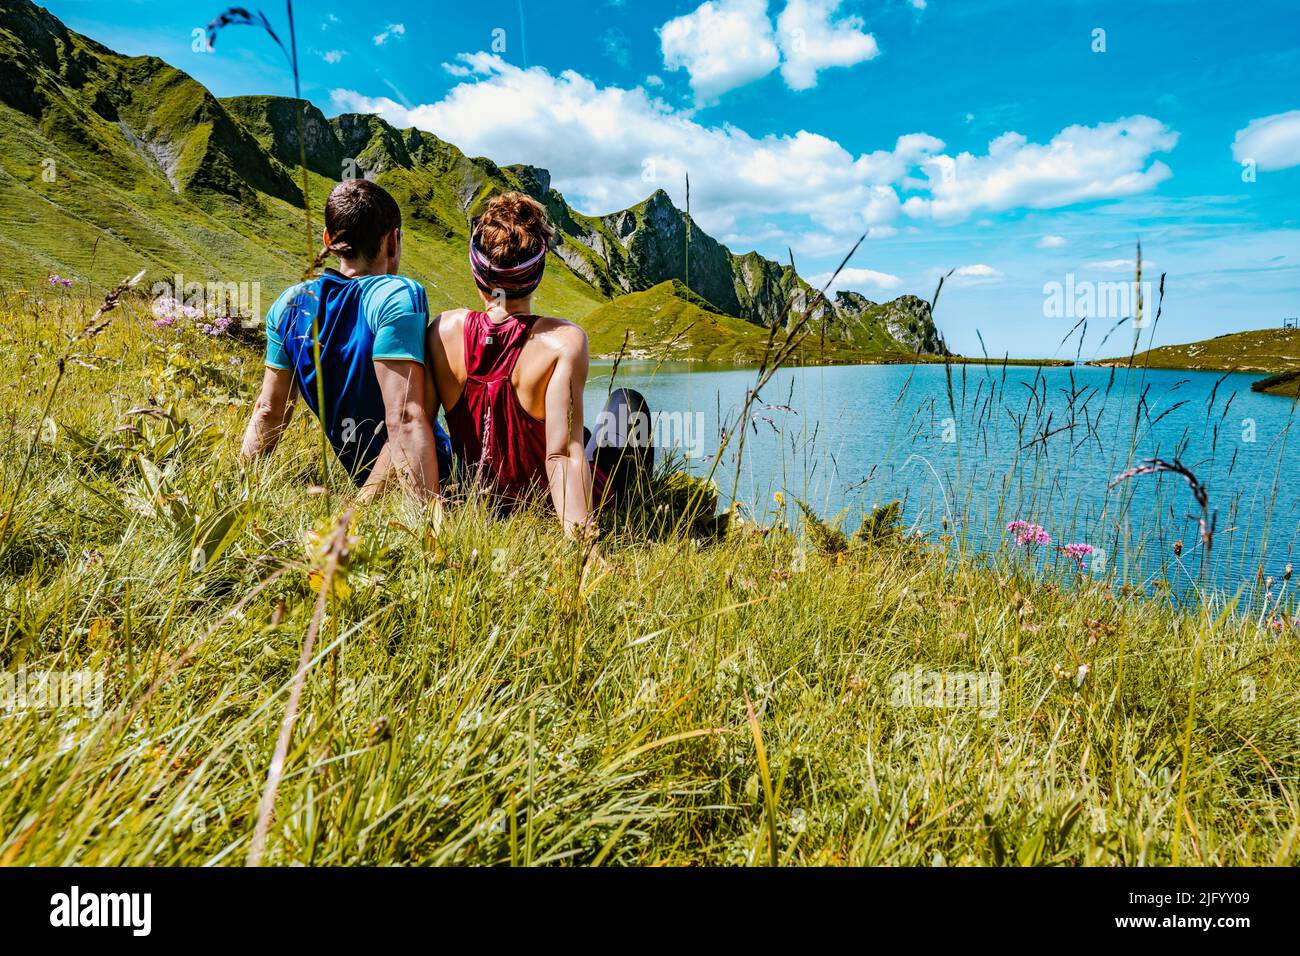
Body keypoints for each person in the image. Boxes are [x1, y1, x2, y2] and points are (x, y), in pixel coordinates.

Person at [426, 191, 652, 538]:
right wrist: (582, 545)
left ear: (477, 274)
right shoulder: (564, 342)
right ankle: (635, 503)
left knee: (584, 429)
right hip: (555, 503)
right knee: (626, 403)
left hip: (484, 502)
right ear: (538, 273)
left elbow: (418, 426)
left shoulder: (442, 330)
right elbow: (562, 455)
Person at [240, 179, 452, 502]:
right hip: (449, 482)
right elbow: (405, 418)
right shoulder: (398, 296)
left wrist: (240, 485)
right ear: (393, 242)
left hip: (371, 488)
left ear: (329, 239)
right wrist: (427, 530)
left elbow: (269, 410)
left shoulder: (287, 305)